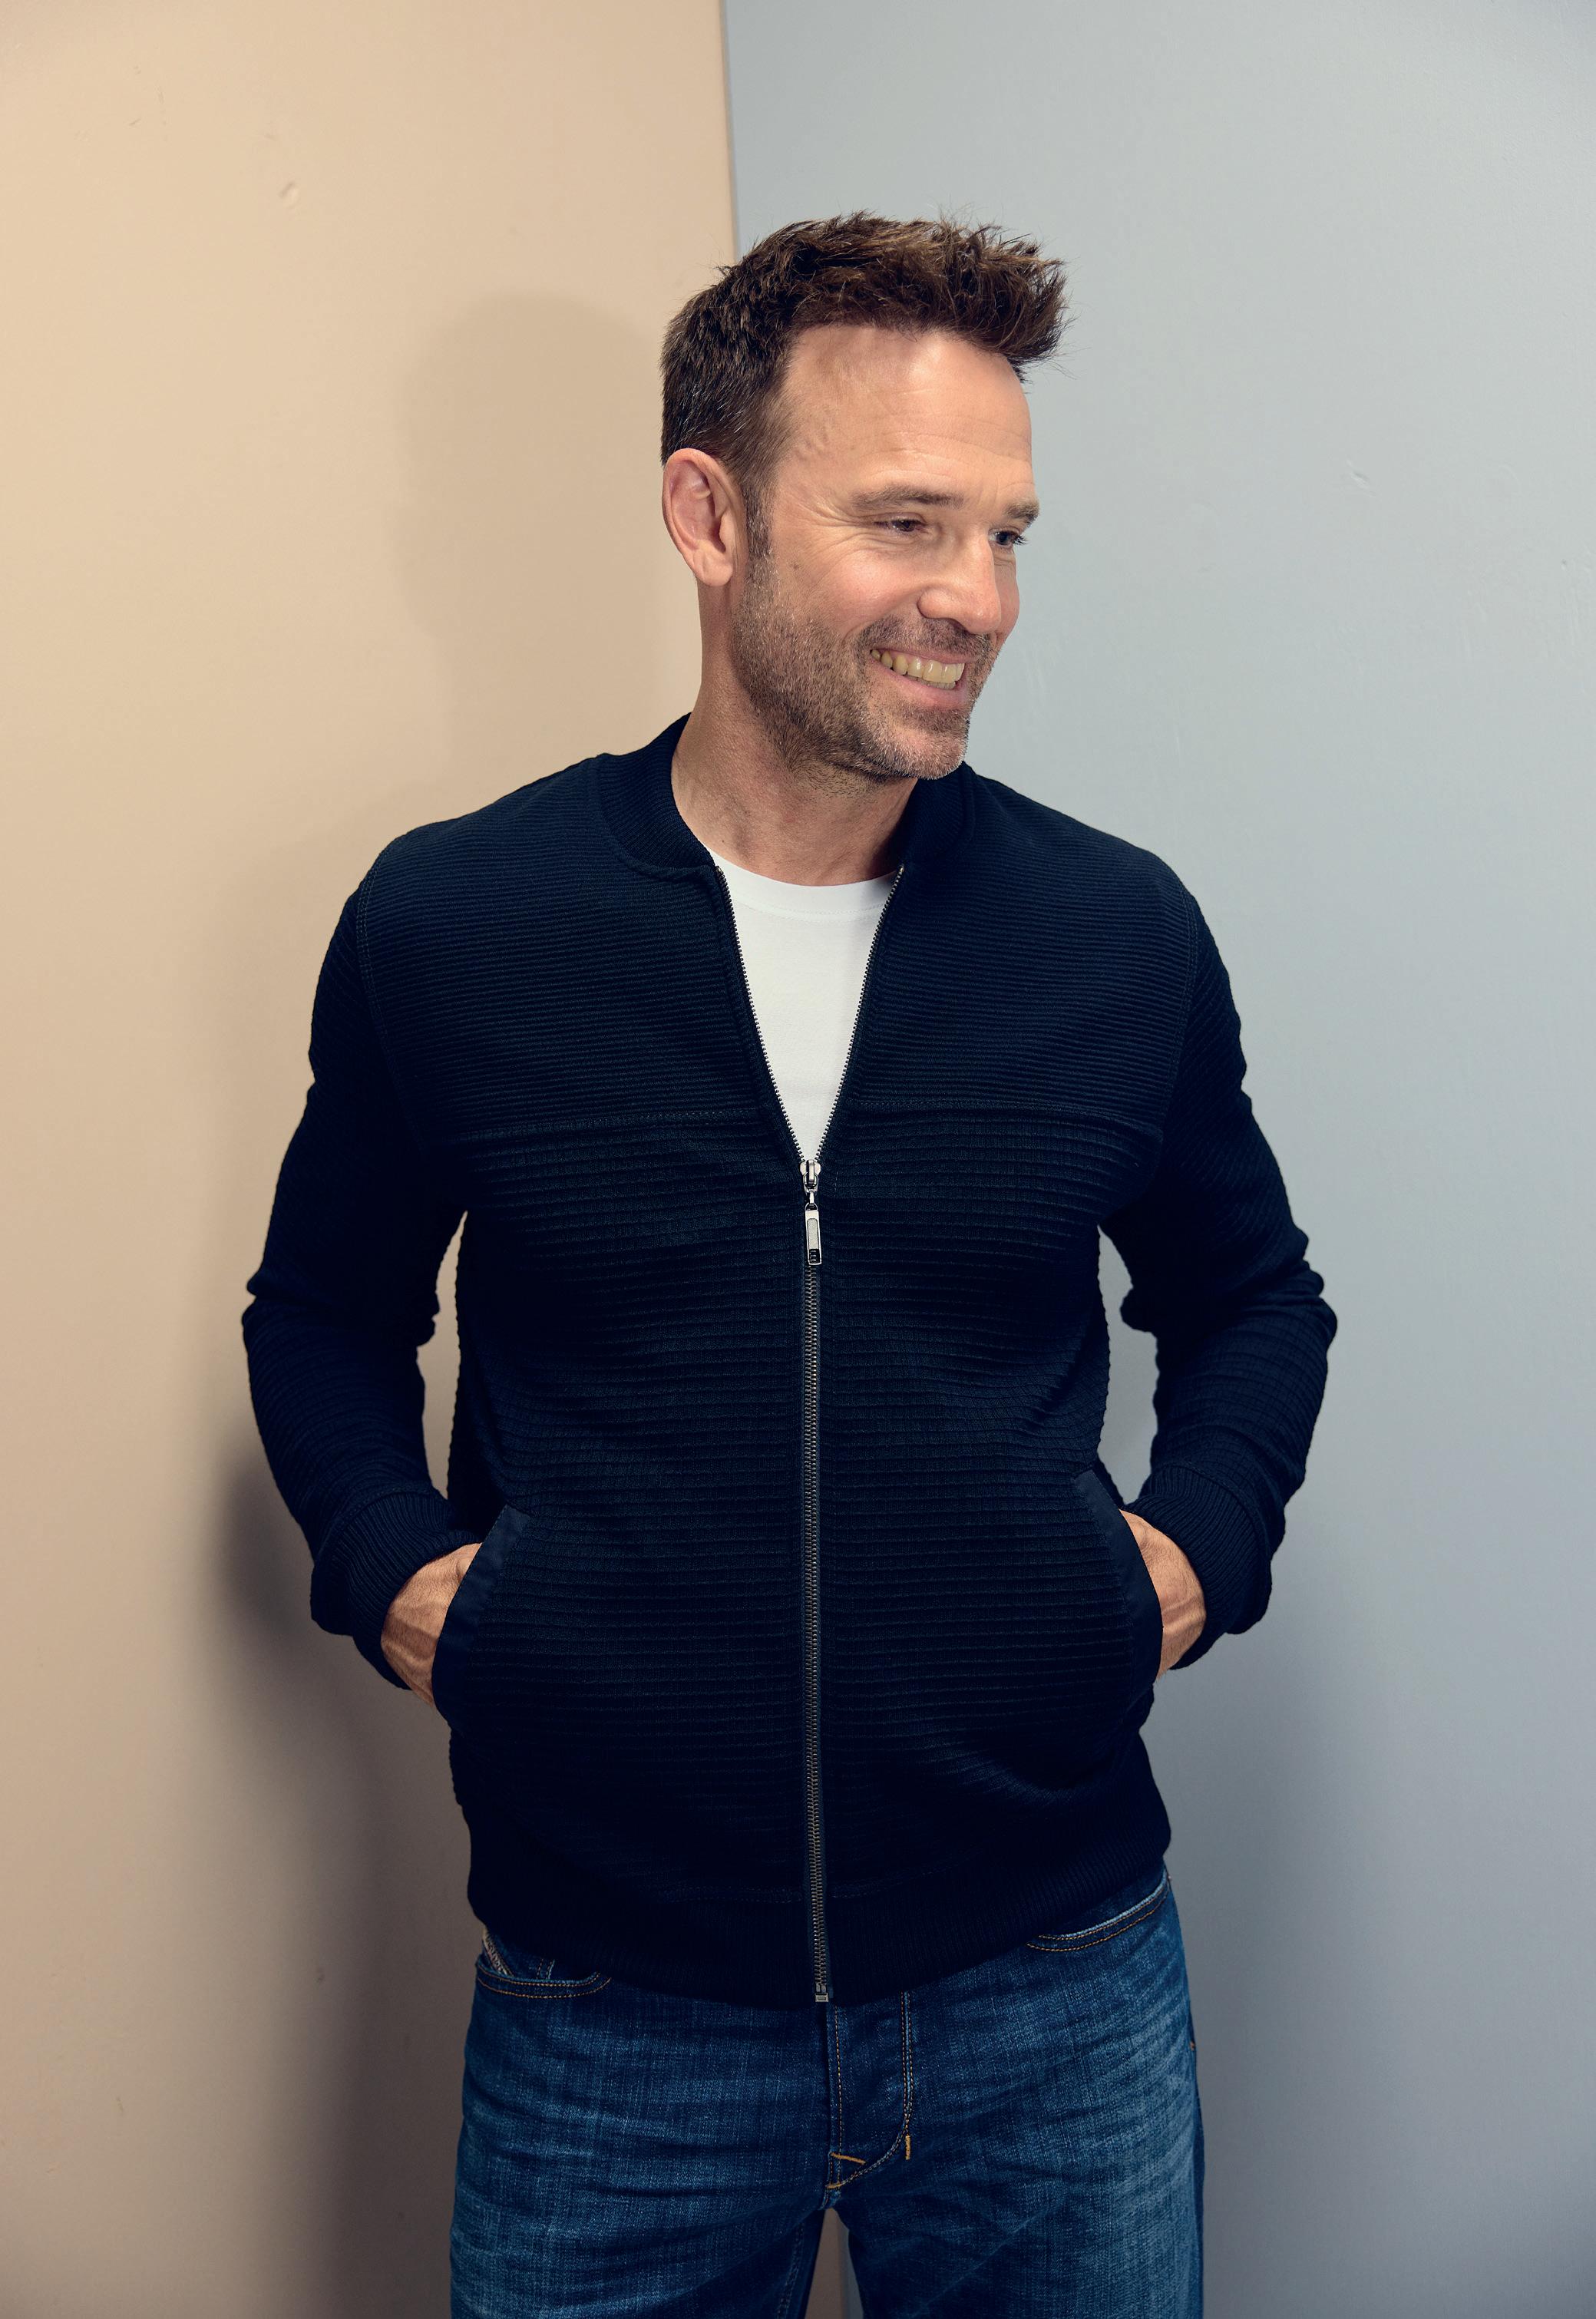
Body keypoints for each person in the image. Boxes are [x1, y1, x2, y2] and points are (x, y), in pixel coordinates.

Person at [242, 211, 1336, 2317]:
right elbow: (323, 1314)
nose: (976, 598)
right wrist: (405, 1582)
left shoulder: (1111, 934)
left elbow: (1249, 1296)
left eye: (1005, 535)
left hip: (1059, 1986)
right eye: (907, 522)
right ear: (709, 516)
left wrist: (1190, 1553)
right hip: (611, 2014)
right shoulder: (459, 928)